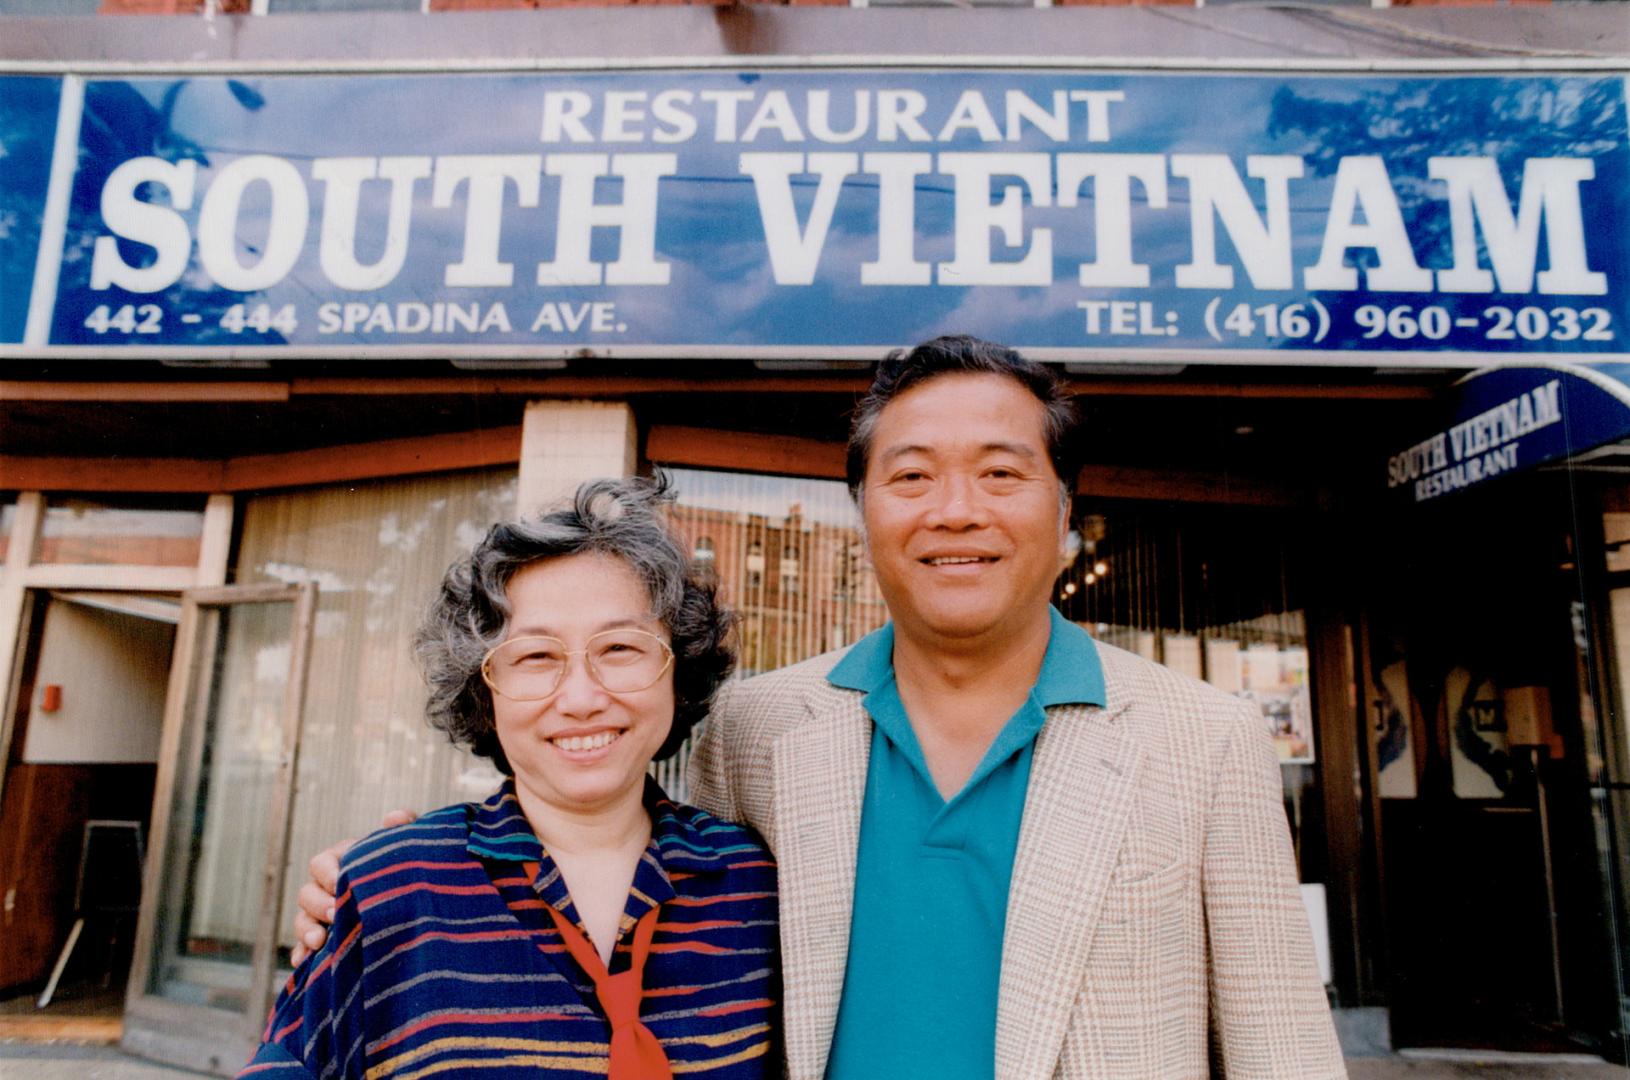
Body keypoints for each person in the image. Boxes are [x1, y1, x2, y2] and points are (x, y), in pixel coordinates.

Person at [296, 337, 1345, 1079]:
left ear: (1067, 512)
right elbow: (622, 852)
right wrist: (400, 870)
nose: (956, 511)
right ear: (864, 512)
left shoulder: (1201, 740)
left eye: (1000, 473)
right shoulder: (760, 729)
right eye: (912, 475)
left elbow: (1284, 1051)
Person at [247, 477, 778, 1080]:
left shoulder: (756, 886)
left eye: (621, 648)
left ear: (677, 669)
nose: (582, 698)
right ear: (483, 690)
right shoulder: (389, 887)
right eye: (535, 657)